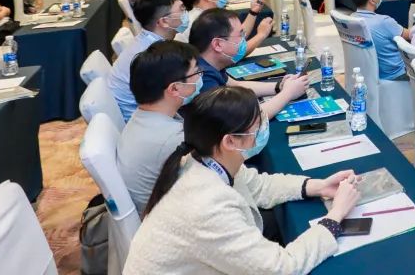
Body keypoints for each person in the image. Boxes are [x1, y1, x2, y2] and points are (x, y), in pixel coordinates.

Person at [124, 86, 360, 274]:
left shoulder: (204, 160)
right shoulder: (208, 207)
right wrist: (335, 216)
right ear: (229, 141)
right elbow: (282, 268)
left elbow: (259, 186)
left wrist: (318, 186)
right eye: (256, 127)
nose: (262, 130)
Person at [117, 40, 199, 213]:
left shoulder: (142, 116)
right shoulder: (173, 139)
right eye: (196, 73)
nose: (200, 78)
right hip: (167, 219)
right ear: (175, 88)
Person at [188, 9, 307, 118]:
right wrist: (288, 93)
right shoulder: (201, 78)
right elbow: (245, 119)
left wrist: (279, 86)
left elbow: (235, 85)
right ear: (218, 44)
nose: (244, 39)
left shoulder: (210, 63)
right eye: (240, 34)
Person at [108, 0, 190, 121]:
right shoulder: (153, 55)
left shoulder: (147, 40)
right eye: (181, 9)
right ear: (164, 21)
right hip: (143, 119)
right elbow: (176, 96)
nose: (185, 14)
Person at [351, 0, 411, 81]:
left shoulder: (351, 19)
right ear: (372, 0)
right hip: (396, 76)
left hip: (368, 74)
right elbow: (410, 34)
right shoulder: (383, 22)